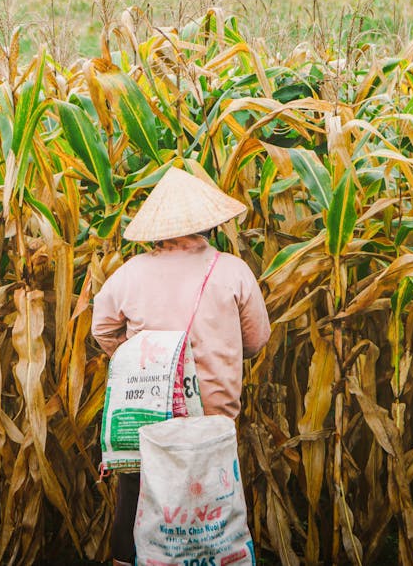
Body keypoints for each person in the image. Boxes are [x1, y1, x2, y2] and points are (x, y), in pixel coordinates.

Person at [91, 166, 271, 566]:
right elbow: (257, 341)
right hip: (212, 420)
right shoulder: (233, 271)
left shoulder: (131, 273)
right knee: (214, 512)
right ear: (208, 225)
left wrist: (140, 360)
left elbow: (102, 328)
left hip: (146, 418)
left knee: (133, 501)